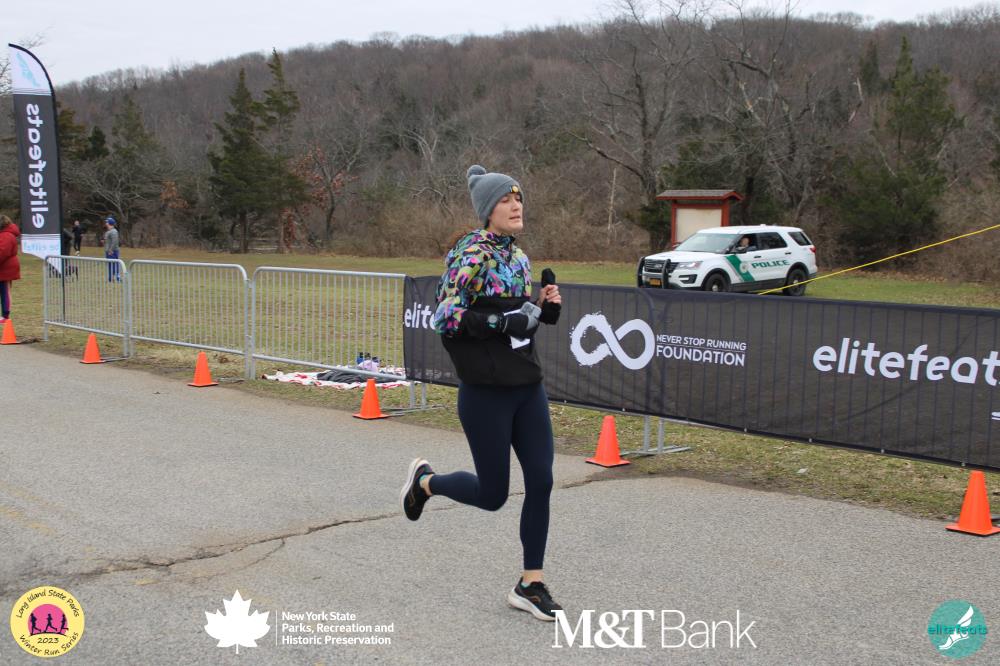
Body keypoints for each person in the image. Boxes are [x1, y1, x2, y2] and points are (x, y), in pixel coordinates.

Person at [400, 165, 564, 622]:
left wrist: (542, 309)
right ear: (487, 209)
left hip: (527, 385)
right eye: (506, 200)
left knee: (542, 480)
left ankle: (530, 584)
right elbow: (446, 317)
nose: (516, 206)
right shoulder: (471, 254)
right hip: (486, 392)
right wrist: (501, 321)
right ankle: (425, 483)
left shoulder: (519, 258)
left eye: (519, 198)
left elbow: (519, 324)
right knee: (493, 496)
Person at [0, 215, 21, 325]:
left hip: (6, 268)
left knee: (5, 291)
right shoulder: (4, 234)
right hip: (4, 266)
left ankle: (5, 315)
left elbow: (2, 252)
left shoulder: (6, 235)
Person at [103, 216, 121, 282]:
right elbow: (108, 240)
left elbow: (115, 241)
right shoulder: (108, 231)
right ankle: (110, 279)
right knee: (110, 265)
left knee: (115, 265)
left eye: (107, 222)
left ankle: (117, 278)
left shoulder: (114, 231)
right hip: (108, 251)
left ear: (110, 223)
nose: (106, 223)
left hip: (113, 251)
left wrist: (111, 250)